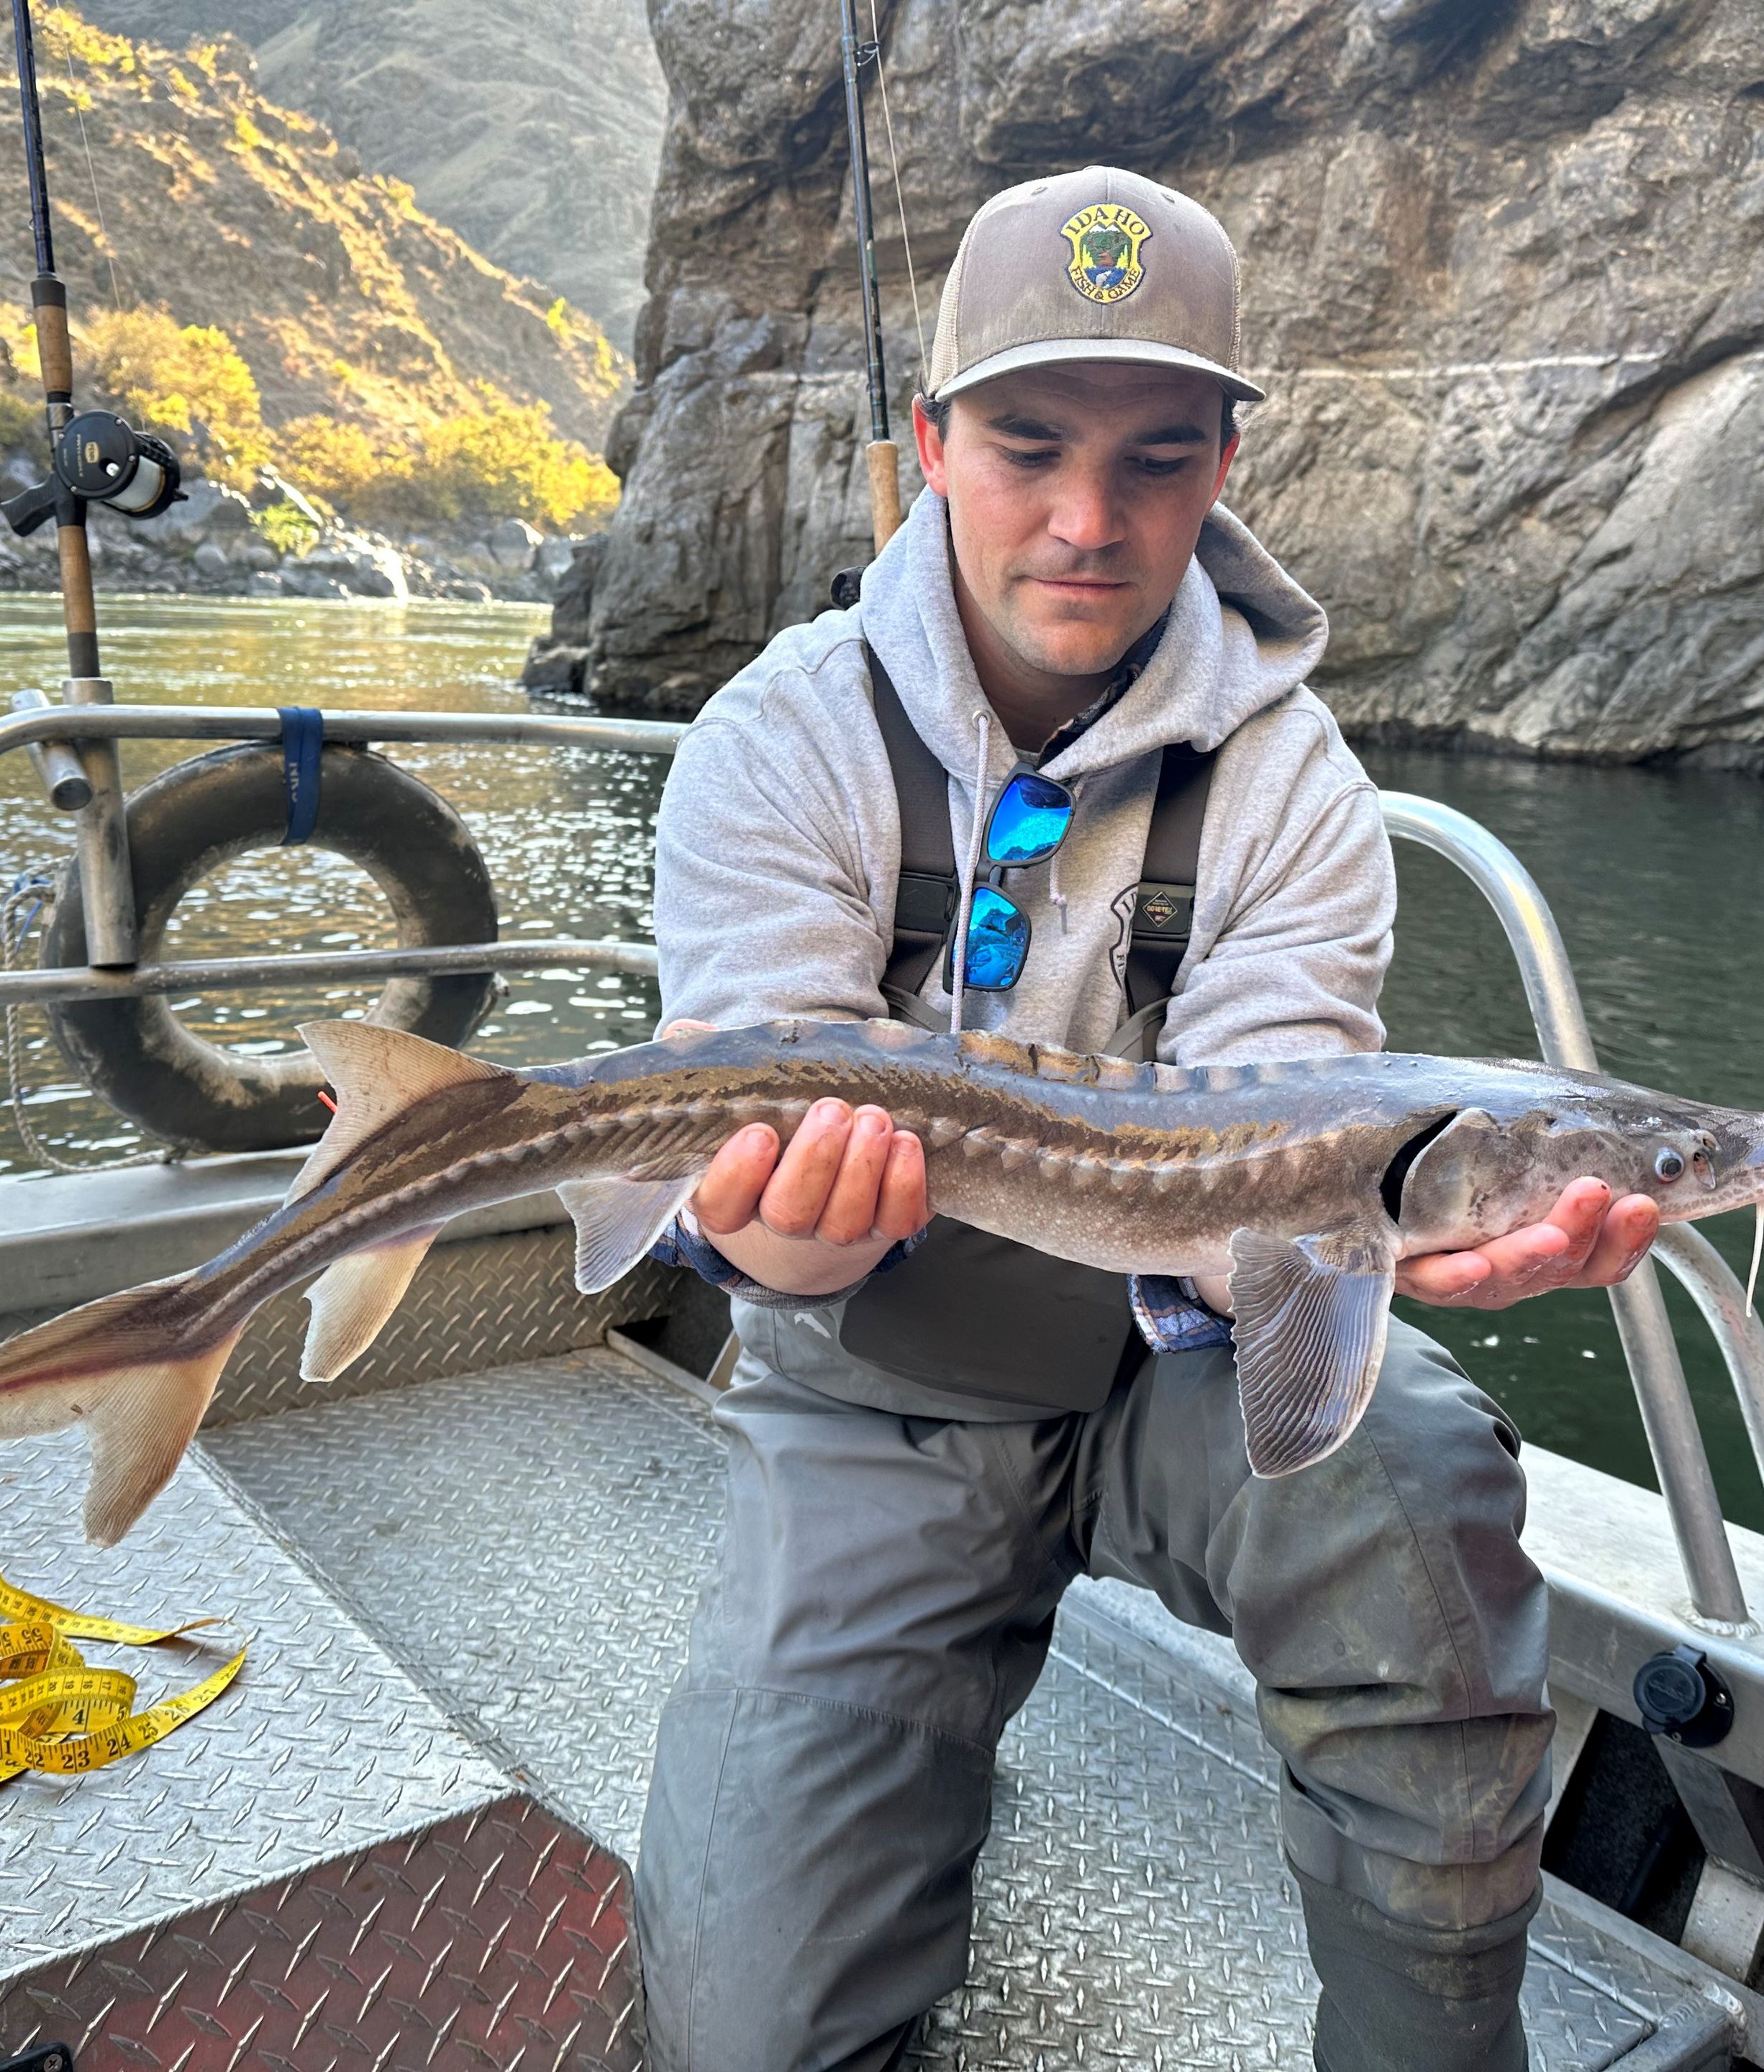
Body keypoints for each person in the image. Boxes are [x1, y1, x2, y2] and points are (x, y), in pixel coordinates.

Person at [637, 165, 1659, 2072]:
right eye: (1028, 448)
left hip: (1153, 1376)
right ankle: (886, 1763)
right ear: (931, 445)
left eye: (1157, 461)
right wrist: (800, 1227)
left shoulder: (1294, 787)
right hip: (870, 1388)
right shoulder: (781, 738)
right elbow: (741, 1219)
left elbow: (1285, 1160)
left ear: (1223, 466)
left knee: (1408, 1465)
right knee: (745, 2033)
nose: (1089, 523)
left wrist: (1406, 1240)